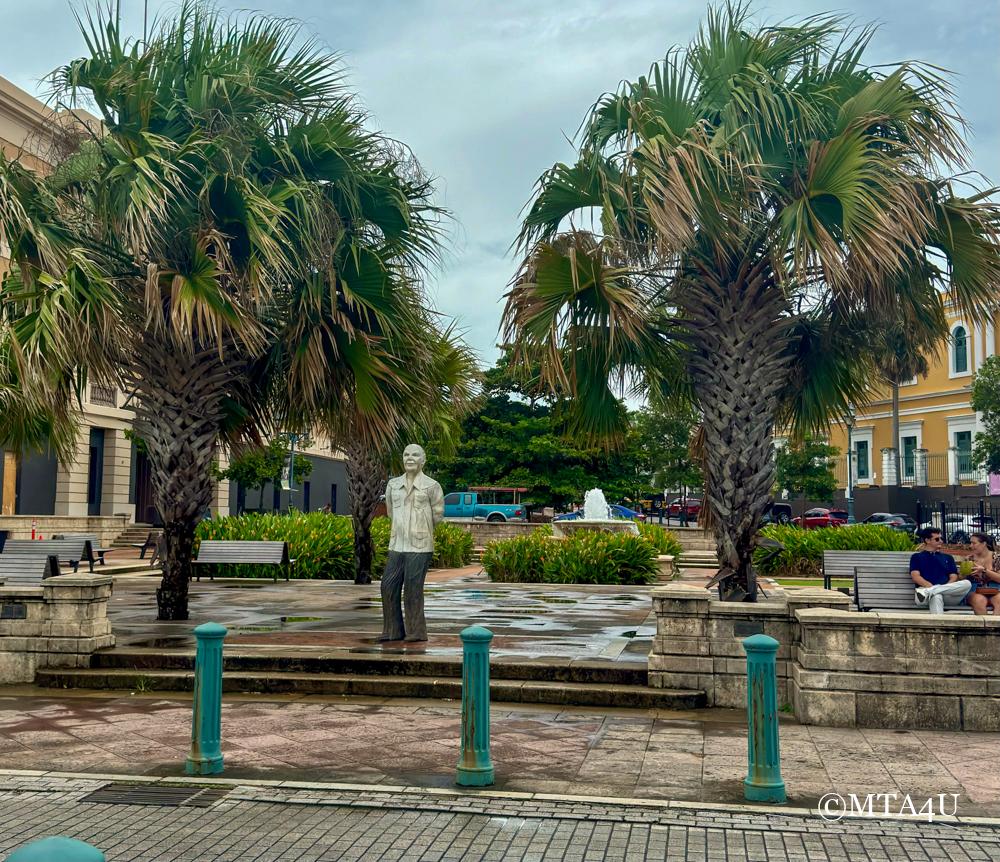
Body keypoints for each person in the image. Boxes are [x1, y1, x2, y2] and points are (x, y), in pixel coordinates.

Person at [379, 443, 444, 642]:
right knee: (387, 586)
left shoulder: (432, 486)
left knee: (413, 588)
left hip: (420, 545)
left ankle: (416, 632)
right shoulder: (393, 485)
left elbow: (437, 515)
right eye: (406, 454)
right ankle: (392, 631)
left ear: (423, 460)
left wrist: (419, 528)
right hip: (397, 544)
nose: (410, 458)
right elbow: (390, 512)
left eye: (415, 455)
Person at [910, 527, 972, 613]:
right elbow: (915, 576)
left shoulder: (948, 557)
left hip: (940, 594)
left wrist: (943, 588)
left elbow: (953, 576)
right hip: (923, 596)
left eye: (941, 538)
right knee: (936, 596)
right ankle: (939, 626)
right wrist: (929, 586)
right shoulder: (917, 557)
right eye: (937, 539)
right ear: (927, 540)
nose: (941, 541)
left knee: (967, 583)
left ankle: (932, 591)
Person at [965, 532, 1000, 615]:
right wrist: (964, 573)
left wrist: (984, 570)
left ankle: (994, 627)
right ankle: (985, 628)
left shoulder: (997, 558)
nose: (970, 546)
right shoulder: (969, 559)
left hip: (995, 589)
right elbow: (962, 579)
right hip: (975, 590)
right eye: (970, 543)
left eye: (974, 543)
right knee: (979, 601)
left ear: (984, 544)